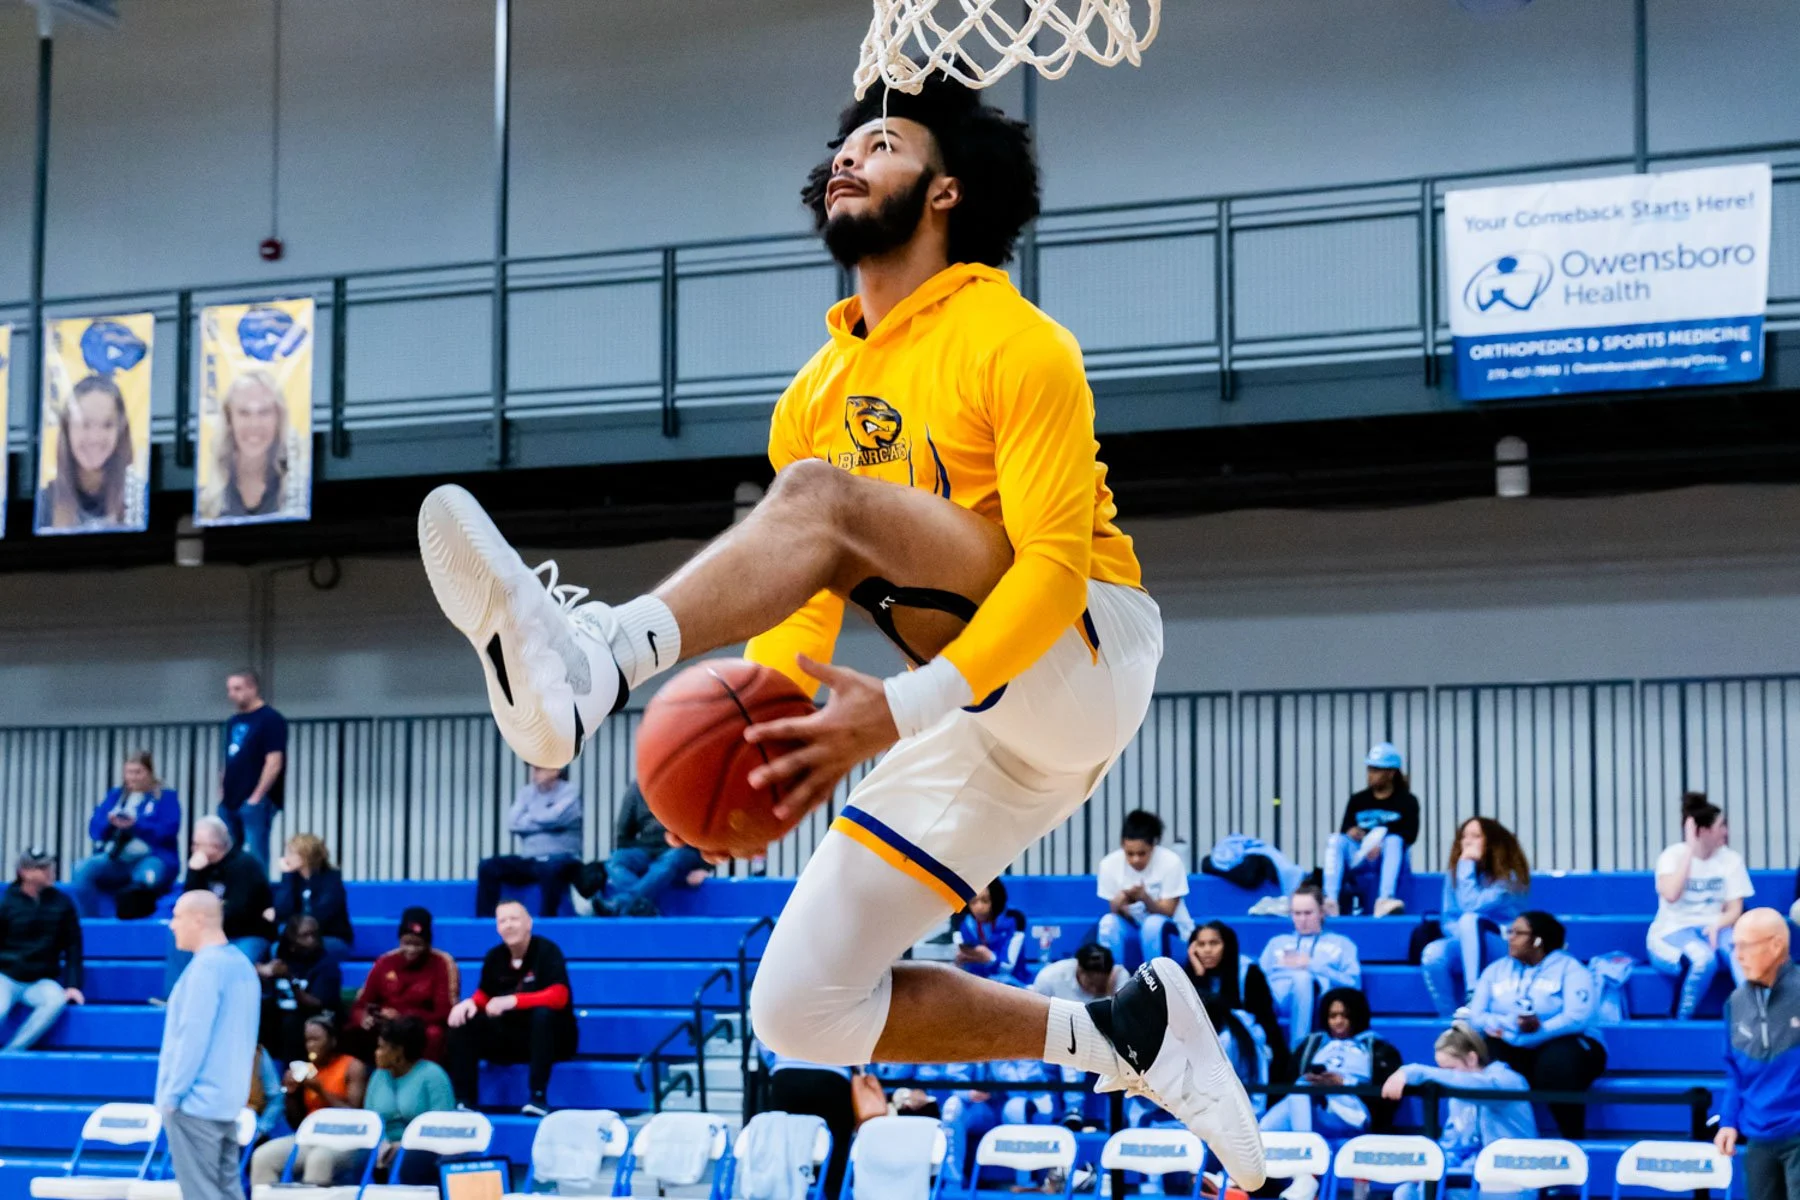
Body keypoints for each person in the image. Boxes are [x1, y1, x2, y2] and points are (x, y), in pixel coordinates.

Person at [415, 76, 1265, 1186]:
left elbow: (1053, 571)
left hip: (1084, 652)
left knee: (822, 499)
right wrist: (756, 770)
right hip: (986, 719)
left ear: (945, 191)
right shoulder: (811, 394)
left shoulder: (1018, 343)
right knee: (801, 1007)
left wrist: (903, 708)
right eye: (846, 143)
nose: (849, 157)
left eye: (885, 142)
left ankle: (600, 660)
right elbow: (800, 625)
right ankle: (1123, 1037)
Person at [1461, 911, 1606, 1138]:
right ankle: (1490, 1139)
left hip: (1566, 1042)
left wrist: (1537, 1031)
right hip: (1512, 1040)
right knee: (1485, 1055)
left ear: (1538, 940)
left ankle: (1573, 1139)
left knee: (1557, 1062)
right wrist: (1509, 1025)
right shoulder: (1495, 970)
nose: (1510, 938)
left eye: (1518, 933)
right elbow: (1476, 1016)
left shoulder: (1571, 969)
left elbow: (1577, 1017)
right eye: (1510, 932)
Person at [155, 891, 262, 1200]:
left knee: (201, 1194)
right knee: (228, 1193)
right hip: (228, 1102)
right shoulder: (242, 965)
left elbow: (192, 1038)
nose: (172, 925)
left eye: (177, 917)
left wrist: (172, 1095)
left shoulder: (205, 969)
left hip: (195, 1103)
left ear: (198, 919)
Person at [447, 900, 577, 1116]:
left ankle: (538, 1098)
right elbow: (484, 995)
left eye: (514, 919)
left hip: (552, 1040)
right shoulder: (494, 956)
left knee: (542, 1015)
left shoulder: (547, 951)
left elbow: (559, 996)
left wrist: (513, 1000)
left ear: (529, 923)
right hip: (511, 1037)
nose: (508, 925)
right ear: (497, 928)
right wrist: (469, 1003)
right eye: (502, 921)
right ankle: (465, 1101)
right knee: (463, 1022)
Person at [1380, 1024, 1535, 1200]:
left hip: (1510, 1179)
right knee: (1407, 1192)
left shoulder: (1508, 1081)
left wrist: (1415, 1071)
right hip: (1471, 1179)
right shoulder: (1457, 1097)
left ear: (1471, 1058)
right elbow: (1454, 1145)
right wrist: (1427, 1167)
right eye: (1441, 1069)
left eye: (1449, 1069)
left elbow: (1479, 1088)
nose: (1444, 1077)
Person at [1715, 908, 1800, 1200]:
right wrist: (1728, 1122)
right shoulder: (1735, 1003)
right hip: (1758, 1138)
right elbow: (1734, 1071)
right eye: (1734, 946)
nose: (1737, 956)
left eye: (1745, 946)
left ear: (1776, 945)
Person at [1649, 792, 1753, 1020]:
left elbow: (1735, 910)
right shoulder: (1671, 856)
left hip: (1717, 928)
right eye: (1720, 826)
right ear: (1703, 831)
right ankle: (1681, 1019)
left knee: (1741, 953)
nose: (1725, 832)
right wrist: (1690, 850)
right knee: (1703, 959)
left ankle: (1755, 1015)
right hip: (1673, 932)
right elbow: (1671, 894)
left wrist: (1717, 925)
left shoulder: (1731, 859)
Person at [1421, 817, 1530, 1016]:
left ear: (1491, 842)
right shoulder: (1456, 874)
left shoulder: (1509, 877)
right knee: (1433, 954)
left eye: (1476, 836)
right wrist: (1464, 935)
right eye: (1464, 837)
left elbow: (1470, 905)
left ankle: (1473, 996)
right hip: (1466, 944)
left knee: (1470, 920)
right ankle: (1450, 1019)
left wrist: (1465, 866)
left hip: (1504, 943)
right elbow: (1449, 918)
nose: (1468, 842)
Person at [162, 817, 275, 1001]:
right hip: (211, 933)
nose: (193, 849)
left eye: (198, 844)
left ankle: (221, 1003)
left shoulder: (246, 866)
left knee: (236, 961)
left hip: (246, 934)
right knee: (178, 935)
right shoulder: (201, 866)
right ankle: (176, 998)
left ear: (216, 845)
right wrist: (194, 873)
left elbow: (240, 911)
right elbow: (190, 904)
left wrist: (208, 921)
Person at [248, 1016, 370, 1187]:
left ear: (333, 1041)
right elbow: (298, 1122)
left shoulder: (352, 1066)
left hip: (347, 1140)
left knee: (319, 1159)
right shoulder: (307, 1069)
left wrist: (320, 1090)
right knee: (263, 1156)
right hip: (312, 1138)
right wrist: (291, 1094)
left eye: (316, 1040)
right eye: (307, 1040)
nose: (310, 1046)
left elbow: (354, 1114)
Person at [69, 750, 182, 918]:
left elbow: (168, 831)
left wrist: (136, 825)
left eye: (138, 772)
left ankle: (138, 929)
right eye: (129, 772)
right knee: (81, 870)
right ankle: (90, 922)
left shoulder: (165, 797)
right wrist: (111, 823)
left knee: (147, 879)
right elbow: (95, 830)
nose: (133, 777)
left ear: (149, 773)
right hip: (117, 858)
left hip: (152, 857)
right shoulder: (116, 796)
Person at [1030, 944, 1126, 1128]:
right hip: (1059, 1042)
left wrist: (1112, 990)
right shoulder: (1049, 978)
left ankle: (1116, 1119)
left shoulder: (1119, 978)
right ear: (1079, 970)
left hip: (1106, 1042)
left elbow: (1126, 1024)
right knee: (1068, 1043)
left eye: (1100, 984)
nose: (1095, 989)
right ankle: (1070, 1111)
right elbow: (1036, 1022)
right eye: (1091, 984)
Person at [346, 908, 457, 1064]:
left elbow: (445, 1012)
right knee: (352, 1032)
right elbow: (362, 1003)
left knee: (434, 1035)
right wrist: (364, 1017)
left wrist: (403, 1017)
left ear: (428, 943)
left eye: (418, 944)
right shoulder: (385, 962)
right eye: (406, 943)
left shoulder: (441, 963)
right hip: (384, 1025)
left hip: (419, 1028)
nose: (411, 950)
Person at [1323, 743, 1421, 917]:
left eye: (1376, 770)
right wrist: (1352, 833)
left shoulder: (1407, 801)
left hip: (1388, 856)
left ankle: (1385, 899)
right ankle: (1330, 900)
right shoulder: (1358, 800)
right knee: (1335, 840)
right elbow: (1345, 828)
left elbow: (1410, 834)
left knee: (1394, 841)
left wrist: (1380, 844)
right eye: (1369, 769)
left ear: (1391, 773)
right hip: (1360, 854)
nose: (1370, 775)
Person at [0, 848, 85, 1050]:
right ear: (25, 872)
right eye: (42, 868)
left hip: (40, 979)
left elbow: (73, 947)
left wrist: (73, 985)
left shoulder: (62, 903)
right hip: (6, 976)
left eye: (49, 866)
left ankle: (12, 1052)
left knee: (55, 1000)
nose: (50, 871)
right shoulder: (6, 903)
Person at [1259, 989, 1374, 1137]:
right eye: (1333, 1016)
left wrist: (1343, 1082)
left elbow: (1381, 1087)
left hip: (1350, 1107)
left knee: (1301, 1089)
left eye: (1345, 1016)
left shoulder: (1372, 1046)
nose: (1338, 1021)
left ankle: (1306, 1144)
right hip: (1312, 1101)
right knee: (1265, 1128)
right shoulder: (1314, 1044)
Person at [1259, 883, 1361, 1047]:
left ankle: (1298, 1050)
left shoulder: (1342, 944)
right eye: (1297, 913)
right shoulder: (1276, 943)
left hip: (1320, 1000)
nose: (1302, 919)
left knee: (1303, 978)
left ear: (1321, 912)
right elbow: (1258, 981)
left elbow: (1354, 984)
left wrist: (1312, 965)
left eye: (1308, 913)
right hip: (1277, 998)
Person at [476, 766, 583, 918]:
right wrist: (546, 819)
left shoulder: (570, 791)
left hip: (561, 858)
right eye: (533, 768)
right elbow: (513, 822)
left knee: (550, 869)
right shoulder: (526, 792)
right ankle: (485, 919)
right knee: (488, 866)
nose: (534, 772)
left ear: (556, 770)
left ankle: (547, 920)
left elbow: (555, 817)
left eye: (539, 769)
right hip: (531, 860)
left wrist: (529, 816)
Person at [1094, 809, 1193, 971]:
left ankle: (1156, 982)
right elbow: (1114, 911)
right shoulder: (1108, 864)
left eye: (1142, 853)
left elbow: (1168, 911)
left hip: (1170, 929)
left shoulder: (1171, 862)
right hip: (1131, 926)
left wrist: (1144, 898)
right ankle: (1113, 981)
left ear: (1153, 845)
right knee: (1108, 922)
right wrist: (1121, 902)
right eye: (1129, 853)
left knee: (1152, 925)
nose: (1135, 859)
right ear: (1122, 845)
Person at [1186, 920, 1285, 1080]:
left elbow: (1265, 1021)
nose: (1207, 950)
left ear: (1227, 945)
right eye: (1201, 944)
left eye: (1214, 943)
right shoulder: (1190, 974)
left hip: (1244, 1042)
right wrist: (1199, 976)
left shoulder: (1249, 973)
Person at [36, 374, 134, 530]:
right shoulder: (43, 504)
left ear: (121, 431)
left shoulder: (137, 500)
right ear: (67, 428)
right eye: (84, 424)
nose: (95, 437)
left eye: (107, 425)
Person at [366, 1017, 456, 1186]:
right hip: (383, 1148)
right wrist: (383, 1144)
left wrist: (403, 1145)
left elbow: (442, 1126)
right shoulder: (378, 1076)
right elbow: (370, 1119)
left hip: (422, 1147)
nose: (376, 1052)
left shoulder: (433, 1075)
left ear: (398, 1051)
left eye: (381, 1048)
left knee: (409, 1160)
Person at [594, 783, 706, 917]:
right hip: (646, 849)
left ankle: (620, 902)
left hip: (681, 849)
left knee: (670, 860)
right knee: (616, 860)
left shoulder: (687, 784)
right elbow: (623, 835)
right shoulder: (637, 788)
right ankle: (644, 907)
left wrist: (705, 866)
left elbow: (706, 831)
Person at [760, 1046, 856, 1198]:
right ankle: (833, 1194)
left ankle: (783, 1194)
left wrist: (778, 1062)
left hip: (786, 1076)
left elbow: (764, 1037)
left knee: (783, 1146)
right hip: (833, 1076)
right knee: (837, 1149)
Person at [199, 370, 291, 522]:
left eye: (264, 412)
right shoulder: (207, 496)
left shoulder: (297, 491)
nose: (254, 424)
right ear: (229, 419)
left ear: (278, 419)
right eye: (244, 413)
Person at [220, 669, 287, 869]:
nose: (232, 694)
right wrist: (222, 792)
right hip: (230, 798)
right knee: (227, 852)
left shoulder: (270, 719)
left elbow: (274, 761)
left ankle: (259, 898)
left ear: (252, 688)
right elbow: (229, 758)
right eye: (230, 689)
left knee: (256, 852)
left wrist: (257, 796)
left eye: (237, 688)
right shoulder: (233, 721)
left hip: (256, 799)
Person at [258, 917, 344, 1064]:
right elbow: (257, 968)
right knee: (258, 1014)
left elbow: (315, 1004)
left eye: (315, 935)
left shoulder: (326, 964)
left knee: (291, 1024)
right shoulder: (281, 956)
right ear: (291, 940)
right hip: (280, 1015)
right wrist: (263, 971)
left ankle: (294, 1077)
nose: (312, 940)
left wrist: (291, 979)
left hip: (313, 1017)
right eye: (305, 936)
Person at [271, 835, 353, 961]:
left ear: (305, 856)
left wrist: (294, 923)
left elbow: (321, 915)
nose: (286, 858)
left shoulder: (330, 881)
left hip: (329, 937)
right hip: (297, 938)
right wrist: (287, 877)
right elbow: (282, 911)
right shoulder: (292, 880)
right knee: (276, 949)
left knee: (304, 948)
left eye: (292, 853)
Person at [952, 879, 1029, 983]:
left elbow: (1008, 967)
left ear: (995, 900)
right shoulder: (962, 922)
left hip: (1012, 985)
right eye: (973, 901)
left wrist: (989, 958)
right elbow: (959, 964)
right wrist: (960, 961)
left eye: (985, 900)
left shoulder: (1014, 919)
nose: (979, 907)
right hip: (976, 985)